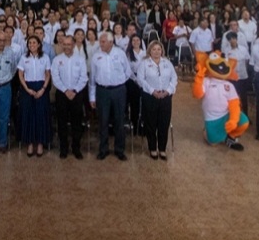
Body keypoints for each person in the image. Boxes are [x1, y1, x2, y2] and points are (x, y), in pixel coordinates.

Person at [89, 31, 133, 161]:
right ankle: (103, 149)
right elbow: (92, 78)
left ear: (111, 42)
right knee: (103, 121)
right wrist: (92, 97)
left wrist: (118, 83)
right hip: (102, 92)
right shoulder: (96, 56)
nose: (100, 44)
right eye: (100, 41)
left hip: (118, 91)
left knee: (119, 121)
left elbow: (128, 71)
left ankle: (119, 150)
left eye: (103, 42)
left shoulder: (120, 54)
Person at [194, 52, 249, 151]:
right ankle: (208, 131)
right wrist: (199, 78)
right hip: (212, 118)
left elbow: (234, 104)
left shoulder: (229, 85)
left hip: (226, 114)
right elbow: (198, 95)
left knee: (244, 122)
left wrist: (233, 120)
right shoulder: (206, 81)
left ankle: (231, 137)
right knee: (213, 142)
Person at [136, 40, 176, 159]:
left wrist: (168, 91)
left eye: (159, 49)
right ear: (149, 51)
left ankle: (162, 149)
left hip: (165, 97)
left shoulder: (167, 63)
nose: (156, 52)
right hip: (150, 97)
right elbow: (140, 79)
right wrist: (152, 91)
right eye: (154, 49)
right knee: (151, 123)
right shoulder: (144, 63)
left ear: (162, 51)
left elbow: (174, 78)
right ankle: (153, 148)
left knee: (164, 123)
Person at [51, 35, 88, 159]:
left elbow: (84, 77)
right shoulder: (57, 60)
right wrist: (65, 90)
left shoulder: (80, 59)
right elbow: (55, 77)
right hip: (62, 94)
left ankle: (76, 148)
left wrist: (75, 90)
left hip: (77, 94)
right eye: (64, 44)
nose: (66, 46)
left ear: (73, 45)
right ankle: (63, 149)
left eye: (69, 44)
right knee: (61, 122)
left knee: (76, 123)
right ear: (62, 45)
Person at [17, 36, 52, 157]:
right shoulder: (23, 57)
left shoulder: (45, 57)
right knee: (28, 115)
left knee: (41, 115)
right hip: (27, 88)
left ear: (39, 44)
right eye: (30, 43)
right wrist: (26, 88)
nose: (32, 45)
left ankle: (41, 143)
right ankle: (30, 143)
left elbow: (48, 74)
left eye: (34, 42)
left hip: (41, 87)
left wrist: (43, 89)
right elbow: (20, 74)